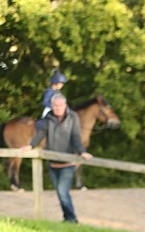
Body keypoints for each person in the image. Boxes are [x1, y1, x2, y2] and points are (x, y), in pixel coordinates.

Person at [19, 94, 92, 223]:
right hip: (53, 163)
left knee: (63, 192)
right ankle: (67, 218)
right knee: (60, 193)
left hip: (67, 163)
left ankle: (72, 219)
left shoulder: (73, 117)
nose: (57, 108)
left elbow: (76, 136)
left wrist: (82, 152)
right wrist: (31, 145)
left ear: (65, 106)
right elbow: (41, 133)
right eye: (54, 106)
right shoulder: (49, 118)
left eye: (59, 106)